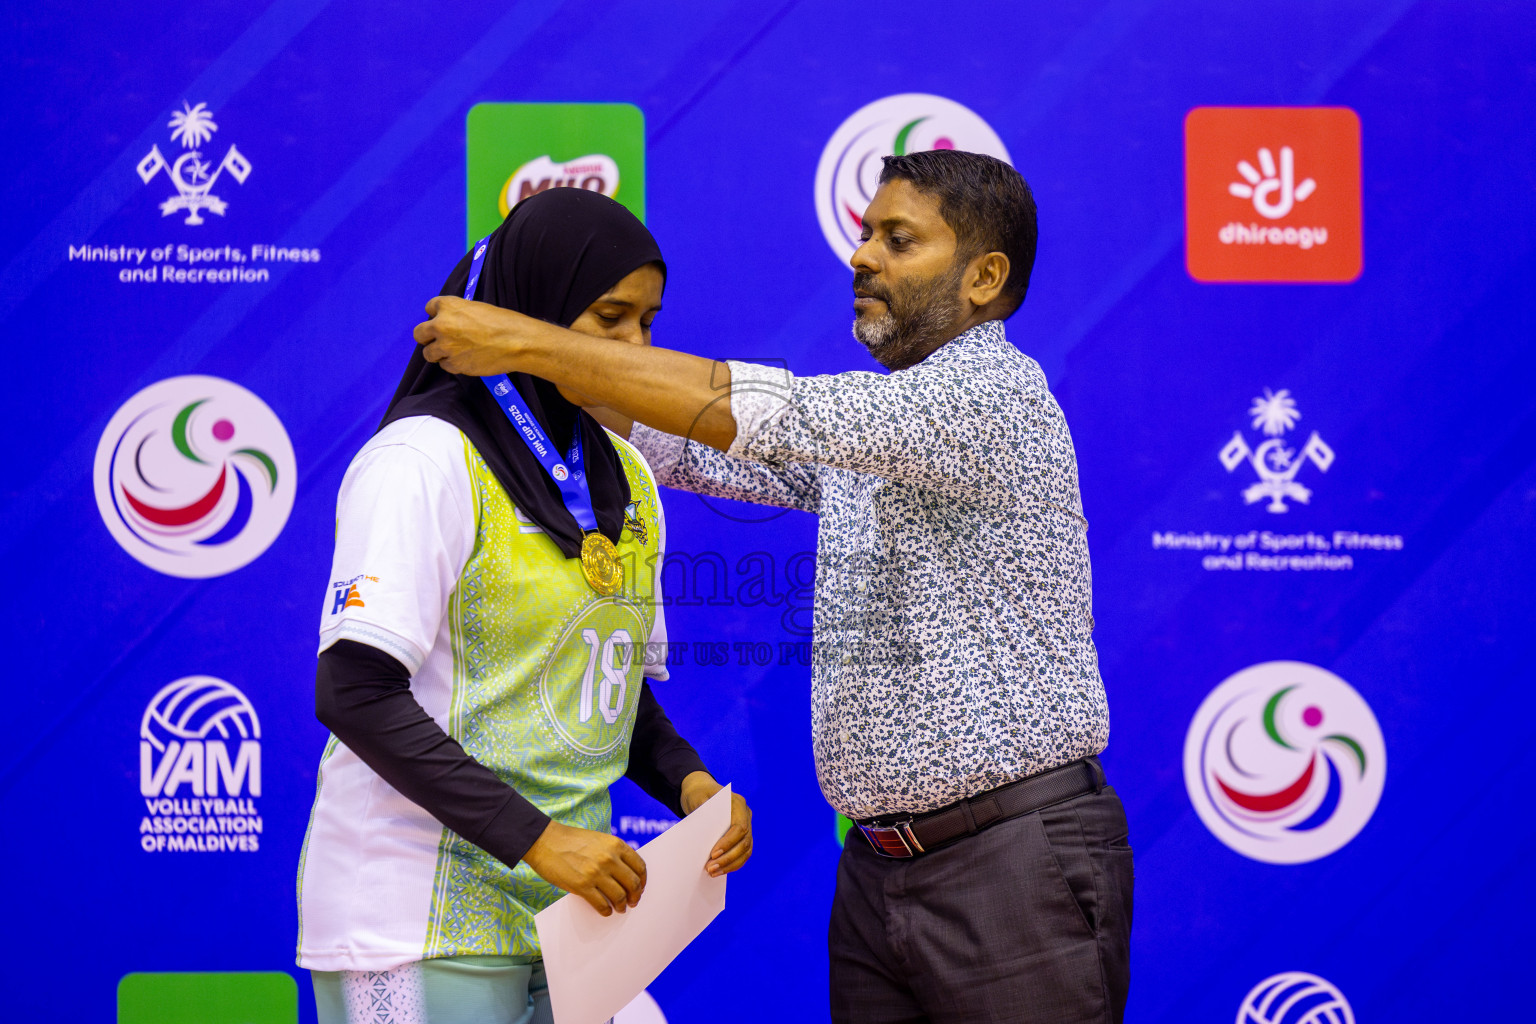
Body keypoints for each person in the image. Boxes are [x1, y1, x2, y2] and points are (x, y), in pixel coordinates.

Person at [412, 150, 1132, 1024]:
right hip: (881, 871)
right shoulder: (888, 427)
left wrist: (530, 342)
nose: (861, 255)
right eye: (865, 234)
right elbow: (694, 443)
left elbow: (759, 412)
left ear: (985, 277)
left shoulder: (988, 400)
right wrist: (552, 357)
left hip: (1009, 868)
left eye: (897, 240)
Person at [297, 187, 752, 1024]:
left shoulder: (632, 478)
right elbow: (354, 691)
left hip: (576, 920)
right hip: (417, 918)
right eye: (610, 319)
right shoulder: (423, 460)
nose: (636, 349)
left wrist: (687, 782)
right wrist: (542, 843)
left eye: (648, 323)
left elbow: (606, 694)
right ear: (529, 307)